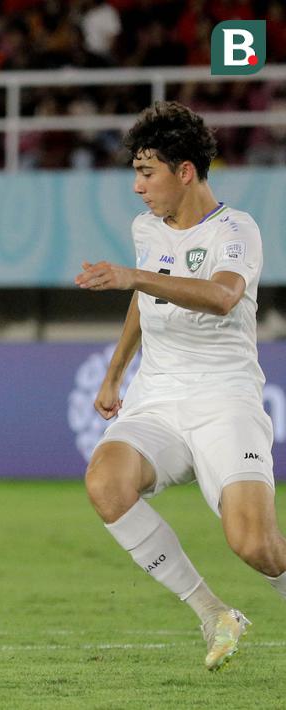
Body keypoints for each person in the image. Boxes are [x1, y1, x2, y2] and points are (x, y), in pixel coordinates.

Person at [76, 101, 278, 671]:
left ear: (184, 171)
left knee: (254, 545)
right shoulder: (148, 229)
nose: (138, 188)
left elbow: (221, 296)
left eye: (147, 172)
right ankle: (214, 612)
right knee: (105, 482)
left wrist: (135, 274)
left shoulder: (237, 229)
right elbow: (145, 298)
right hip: (158, 398)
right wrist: (117, 371)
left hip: (225, 399)